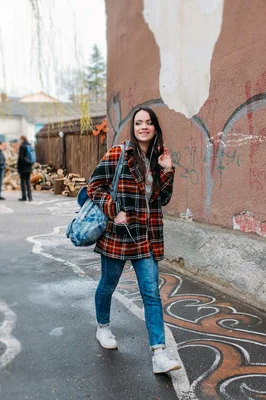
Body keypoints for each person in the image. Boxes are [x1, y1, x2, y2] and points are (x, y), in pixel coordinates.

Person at [87, 107, 180, 374]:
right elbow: (94, 186)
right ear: (134, 127)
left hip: (146, 237)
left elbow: (162, 200)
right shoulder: (119, 153)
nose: (143, 127)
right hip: (119, 234)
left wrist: (167, 170)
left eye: (148, 123)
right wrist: (113, 210)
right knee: (107, 285)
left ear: (155, 127)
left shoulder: (159, 157)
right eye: (139, 123)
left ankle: (159, 353)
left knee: (151, 294)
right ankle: (103, 327)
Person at [17, 135, 33, 202]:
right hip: (29, 167)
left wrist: (18, 166)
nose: (19, 141)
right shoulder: (30, 146)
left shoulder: (22, 146)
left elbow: (21, 158)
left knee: (23, 182)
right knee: (28, 182)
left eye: (20, 139)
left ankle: (24, 197)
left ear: (22, 139)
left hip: (23, 167)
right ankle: (30, 197)